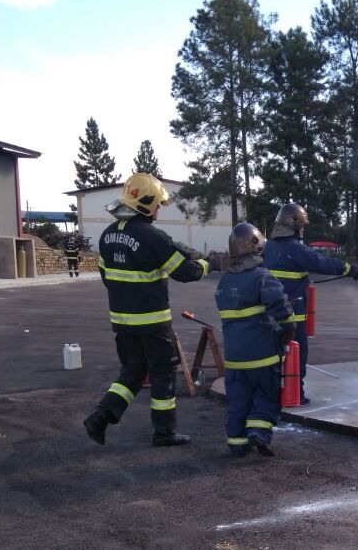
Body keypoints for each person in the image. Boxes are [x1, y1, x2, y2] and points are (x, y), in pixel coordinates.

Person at [83, 172, 222, 448]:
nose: (159, 209)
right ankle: (164, 432)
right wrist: (211, 263)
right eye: (158, 204)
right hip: (153, 322)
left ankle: (100, 416)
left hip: (122, 322)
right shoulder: (153, 236)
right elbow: (186, 272)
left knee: (133, 371)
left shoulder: (108, 235)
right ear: (146, 204)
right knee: (163, 372)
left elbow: (106, 276)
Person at [263, 202, 358, 404]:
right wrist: (352, 270)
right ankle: (295, 394)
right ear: (295, 226)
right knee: (297, 351)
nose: (303, 230)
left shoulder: (267, 247)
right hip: (293, 313)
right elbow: (323, 263)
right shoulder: (297, 249)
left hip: (268, 312)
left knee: (271, 354)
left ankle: (271, 393)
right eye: (302, 226)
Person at [215, 223, 295, 457]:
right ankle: (259, 432)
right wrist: (289, 326)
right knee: (265, 395)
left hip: (234, 360)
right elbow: (280, 304)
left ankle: (237, 443)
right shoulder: (262, 277)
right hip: (262, 356)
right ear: (258, 247)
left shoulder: (225, 282)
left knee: (238, 401)